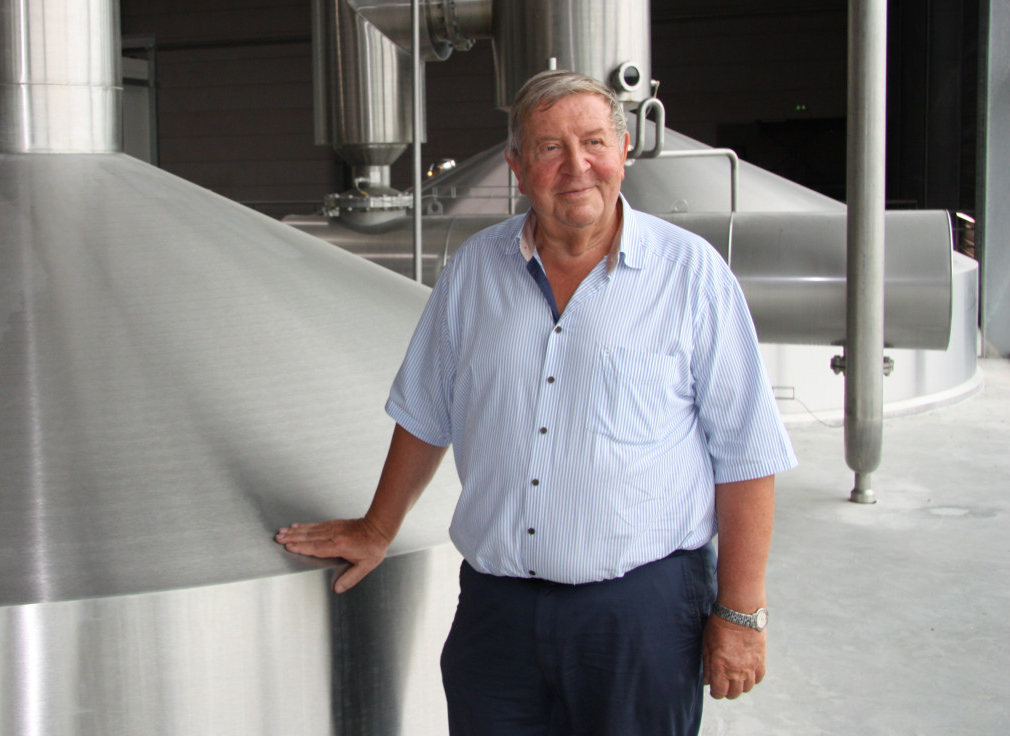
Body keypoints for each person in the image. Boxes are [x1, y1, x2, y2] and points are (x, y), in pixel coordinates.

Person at [276, 70, 797, 735]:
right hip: (499, 615)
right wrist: (377, 528)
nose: (576, 166)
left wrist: (742, 612)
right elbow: (427, 411)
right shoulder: (473, 271)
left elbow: (746, 454)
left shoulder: (692, 277)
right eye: (550, 148)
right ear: (519, 168)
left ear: (624, 149)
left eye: (593, 142)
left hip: (640, 613)